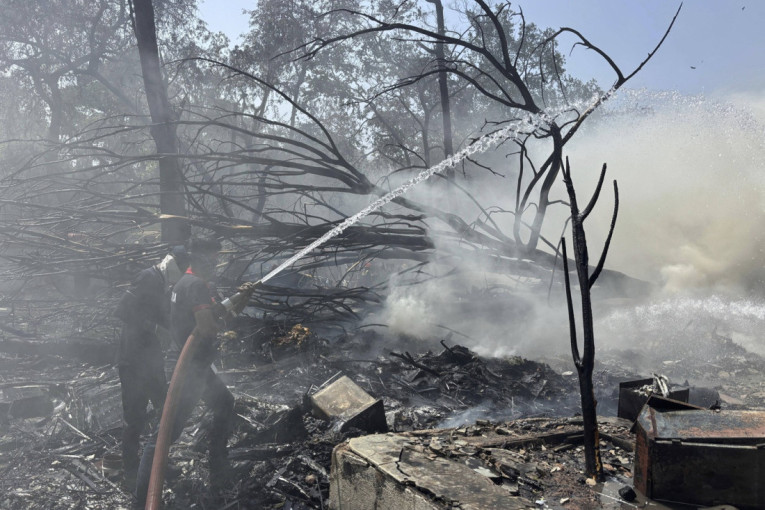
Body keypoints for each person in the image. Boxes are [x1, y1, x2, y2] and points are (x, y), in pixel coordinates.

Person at [134, 237, 249, 505]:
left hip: (195, 367)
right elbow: (207, 327)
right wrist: (223, 323)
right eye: (213, 258)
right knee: (165, 434)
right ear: (199, 258)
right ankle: (141, 501)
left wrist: (243, 299)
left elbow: (218, 315)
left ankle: (218, 466)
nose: (216, 263)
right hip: (187, 370)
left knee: (224, 403)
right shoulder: (195, 285)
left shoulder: (188, 282)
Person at [114, 246, 189, 491]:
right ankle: (131, 473)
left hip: (151, 361)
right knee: (134, 418)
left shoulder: (163, 284)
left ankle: (158, 464)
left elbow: (165, 318)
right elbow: (123, 310)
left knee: (164, 411)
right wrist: (152, 327)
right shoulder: (148, 277)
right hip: (133, 361)